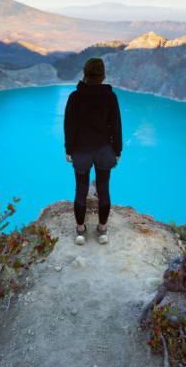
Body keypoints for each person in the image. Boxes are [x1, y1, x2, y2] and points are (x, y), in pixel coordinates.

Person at [63, 57, 122, 246]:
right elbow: (116, 126)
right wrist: (117, 150)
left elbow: (70, 126)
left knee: (81, 190)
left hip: (81, 151)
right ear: (102, 76)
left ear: (85, 74)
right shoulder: (110, 97)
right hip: (104, 149)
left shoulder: (75, 97)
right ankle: (102, 230)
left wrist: (69, 149)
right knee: (103, 189)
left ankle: (81, 232)